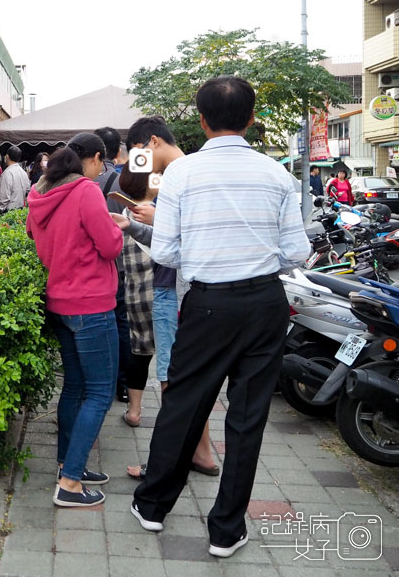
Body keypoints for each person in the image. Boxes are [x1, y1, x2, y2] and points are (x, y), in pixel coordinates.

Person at [130, 77, 310, 559]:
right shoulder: (277, 175)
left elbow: (165, 251)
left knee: (184, 403)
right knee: (248, 418)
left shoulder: (182, 176)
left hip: (207, 304)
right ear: (252, 120)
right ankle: (226, 531)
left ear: (202, 120)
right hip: (265, 304)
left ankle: (151, 506)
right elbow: (296, 251)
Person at [26, 133, 123, 508]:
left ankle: (70, 464)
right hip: (92, 304)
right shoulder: (85, 192)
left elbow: (35, 236)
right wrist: (118, 226)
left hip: (61, 302)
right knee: (99, 393)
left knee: (74, 388)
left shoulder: (40, 194)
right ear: (94, 158)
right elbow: (110, 245)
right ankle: (69, 483)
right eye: (104, 162)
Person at [120, 116, 219, 477]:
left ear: (154, 142)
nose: (137, 162)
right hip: (192, 289)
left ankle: (165, 464)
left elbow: (192, 231)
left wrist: (155, 217)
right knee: (189, 377)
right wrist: (135, 225)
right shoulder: (190, 169)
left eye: (139, 154)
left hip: (173, 290)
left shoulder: (179, 175)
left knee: (171, 379)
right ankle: (202, 454)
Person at [112, 161, 156, 429]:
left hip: (134, 295)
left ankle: (134, 411)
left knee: (140, 350)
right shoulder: (158, 213)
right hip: (165, 294)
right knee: (171, 357)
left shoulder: (124, 215)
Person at [95, 126, 132, 404]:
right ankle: (122, 386)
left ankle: (100, 385)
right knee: (121, 323)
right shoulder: (126, 182)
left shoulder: (87, 182)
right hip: (121, 263)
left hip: (92, 266)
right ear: (118, 150)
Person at [0, 145, 29, 213]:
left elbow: (4, 196)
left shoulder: (7, 173)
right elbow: (28, 190)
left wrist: (0, 209)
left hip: (8, 211)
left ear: (7, 156)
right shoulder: (23, 173)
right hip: (20, 210)